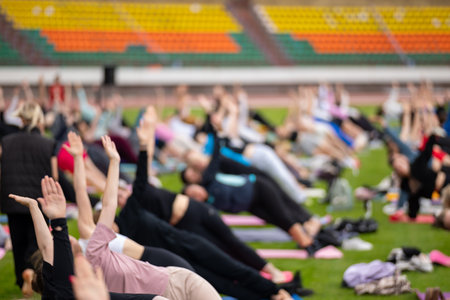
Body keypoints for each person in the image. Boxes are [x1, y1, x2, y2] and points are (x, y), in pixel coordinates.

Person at [118, 106, 286, 283]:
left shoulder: (145, 186)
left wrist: (150, 131)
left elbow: (147, 159)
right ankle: (254, 277)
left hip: (198, 211)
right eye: (118, 198)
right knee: (221, 252)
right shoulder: (134, 209)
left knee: (232, 242)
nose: (122, 197)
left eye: (121, 194)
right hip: (187, 224)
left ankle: (270, 270)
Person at [84, 135, 222, 299]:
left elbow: (108, 203)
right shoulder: (93, 253)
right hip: (164, 287)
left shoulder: (97, 245)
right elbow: (103, 205)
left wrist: (112, 162)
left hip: (176, 277)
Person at [10, 177, 163, 300]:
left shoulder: (70, 281)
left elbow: (46, 246)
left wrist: (34, 208)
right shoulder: (91, 256)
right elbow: (47, 246)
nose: (66, 241)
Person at [0, 101, 57, 297]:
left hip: (12, 199)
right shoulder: (48, 143)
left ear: (21, 118)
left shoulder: (6, 141)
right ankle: (33, 273)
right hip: (39, 199)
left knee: (18, 241)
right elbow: (54, 175)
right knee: (37, 243)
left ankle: (22, 274)